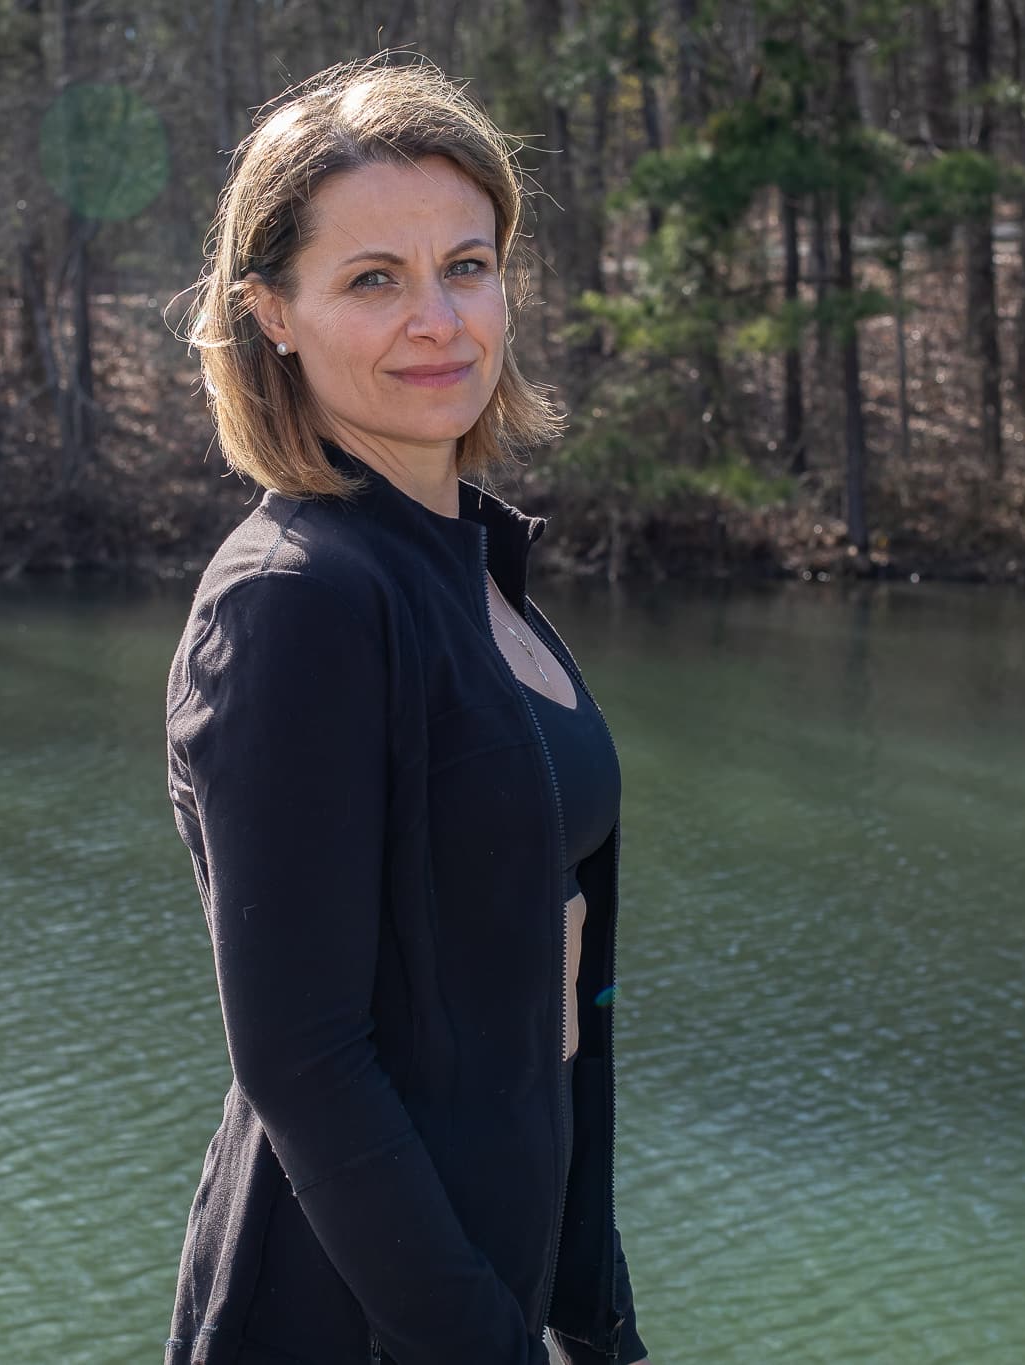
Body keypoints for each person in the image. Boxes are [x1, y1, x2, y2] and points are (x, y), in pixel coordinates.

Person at [162, 56, 653, 1365]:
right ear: (272, 312)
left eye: (467, 267)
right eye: (374, 279)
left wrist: (594, 1315)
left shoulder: (470, 570)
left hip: (497, 1286)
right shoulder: (295, 602)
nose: (439, 318)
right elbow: (304, 1061)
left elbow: (554, 1015)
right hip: (349, 1318)